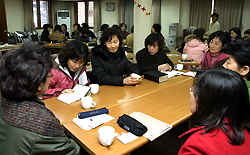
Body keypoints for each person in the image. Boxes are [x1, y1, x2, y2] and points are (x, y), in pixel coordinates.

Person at [0, 44, 80, 154]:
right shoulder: (42, 122)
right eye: (49, 74)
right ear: (38, 84)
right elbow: (71, 151)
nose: (50, 76)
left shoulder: (4, 101)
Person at [178, 68, 250, 154]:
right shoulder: (243, 129)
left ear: (210, 100)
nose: (191, 93)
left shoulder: (197, 146)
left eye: (195, 90)